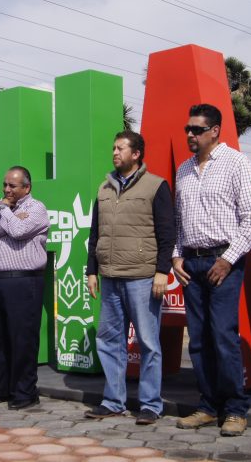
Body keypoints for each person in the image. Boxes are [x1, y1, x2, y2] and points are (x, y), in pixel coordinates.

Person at [170, 104, 251, 437]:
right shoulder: (183, 169)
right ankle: (208, 406)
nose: (190, 134)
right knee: (198, 340)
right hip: (191, 265)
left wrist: (228, 259)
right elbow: (178, 222)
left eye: (196, 129)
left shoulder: (236, 162)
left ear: (215, 131)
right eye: (187, 129)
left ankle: (235, 409)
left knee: (223, 336)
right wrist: (176, 257)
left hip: (223, 261)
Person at [85, 131, 176, 425]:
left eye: (120, 148)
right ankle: (113, 401)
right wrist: (91, 270)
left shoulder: (156, 186)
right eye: (113, 147)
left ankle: (150, 405)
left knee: (148, 343)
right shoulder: (104, 188)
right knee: (109, 341)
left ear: (136, 154)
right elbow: (95, 233)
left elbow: (167, 233)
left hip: (142, 278)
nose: (114, 152)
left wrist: (162, 271)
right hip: (110, 277)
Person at [0, 165, 49, 410]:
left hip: (22, 281)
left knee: (22, 339)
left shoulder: (36, 208)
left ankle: (25, 392)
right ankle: (1, 388)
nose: (7, 189)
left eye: (12, 186)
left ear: (26, 187)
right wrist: (5, 224)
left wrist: (5, 214)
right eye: (5, 184)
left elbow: (19, 230)